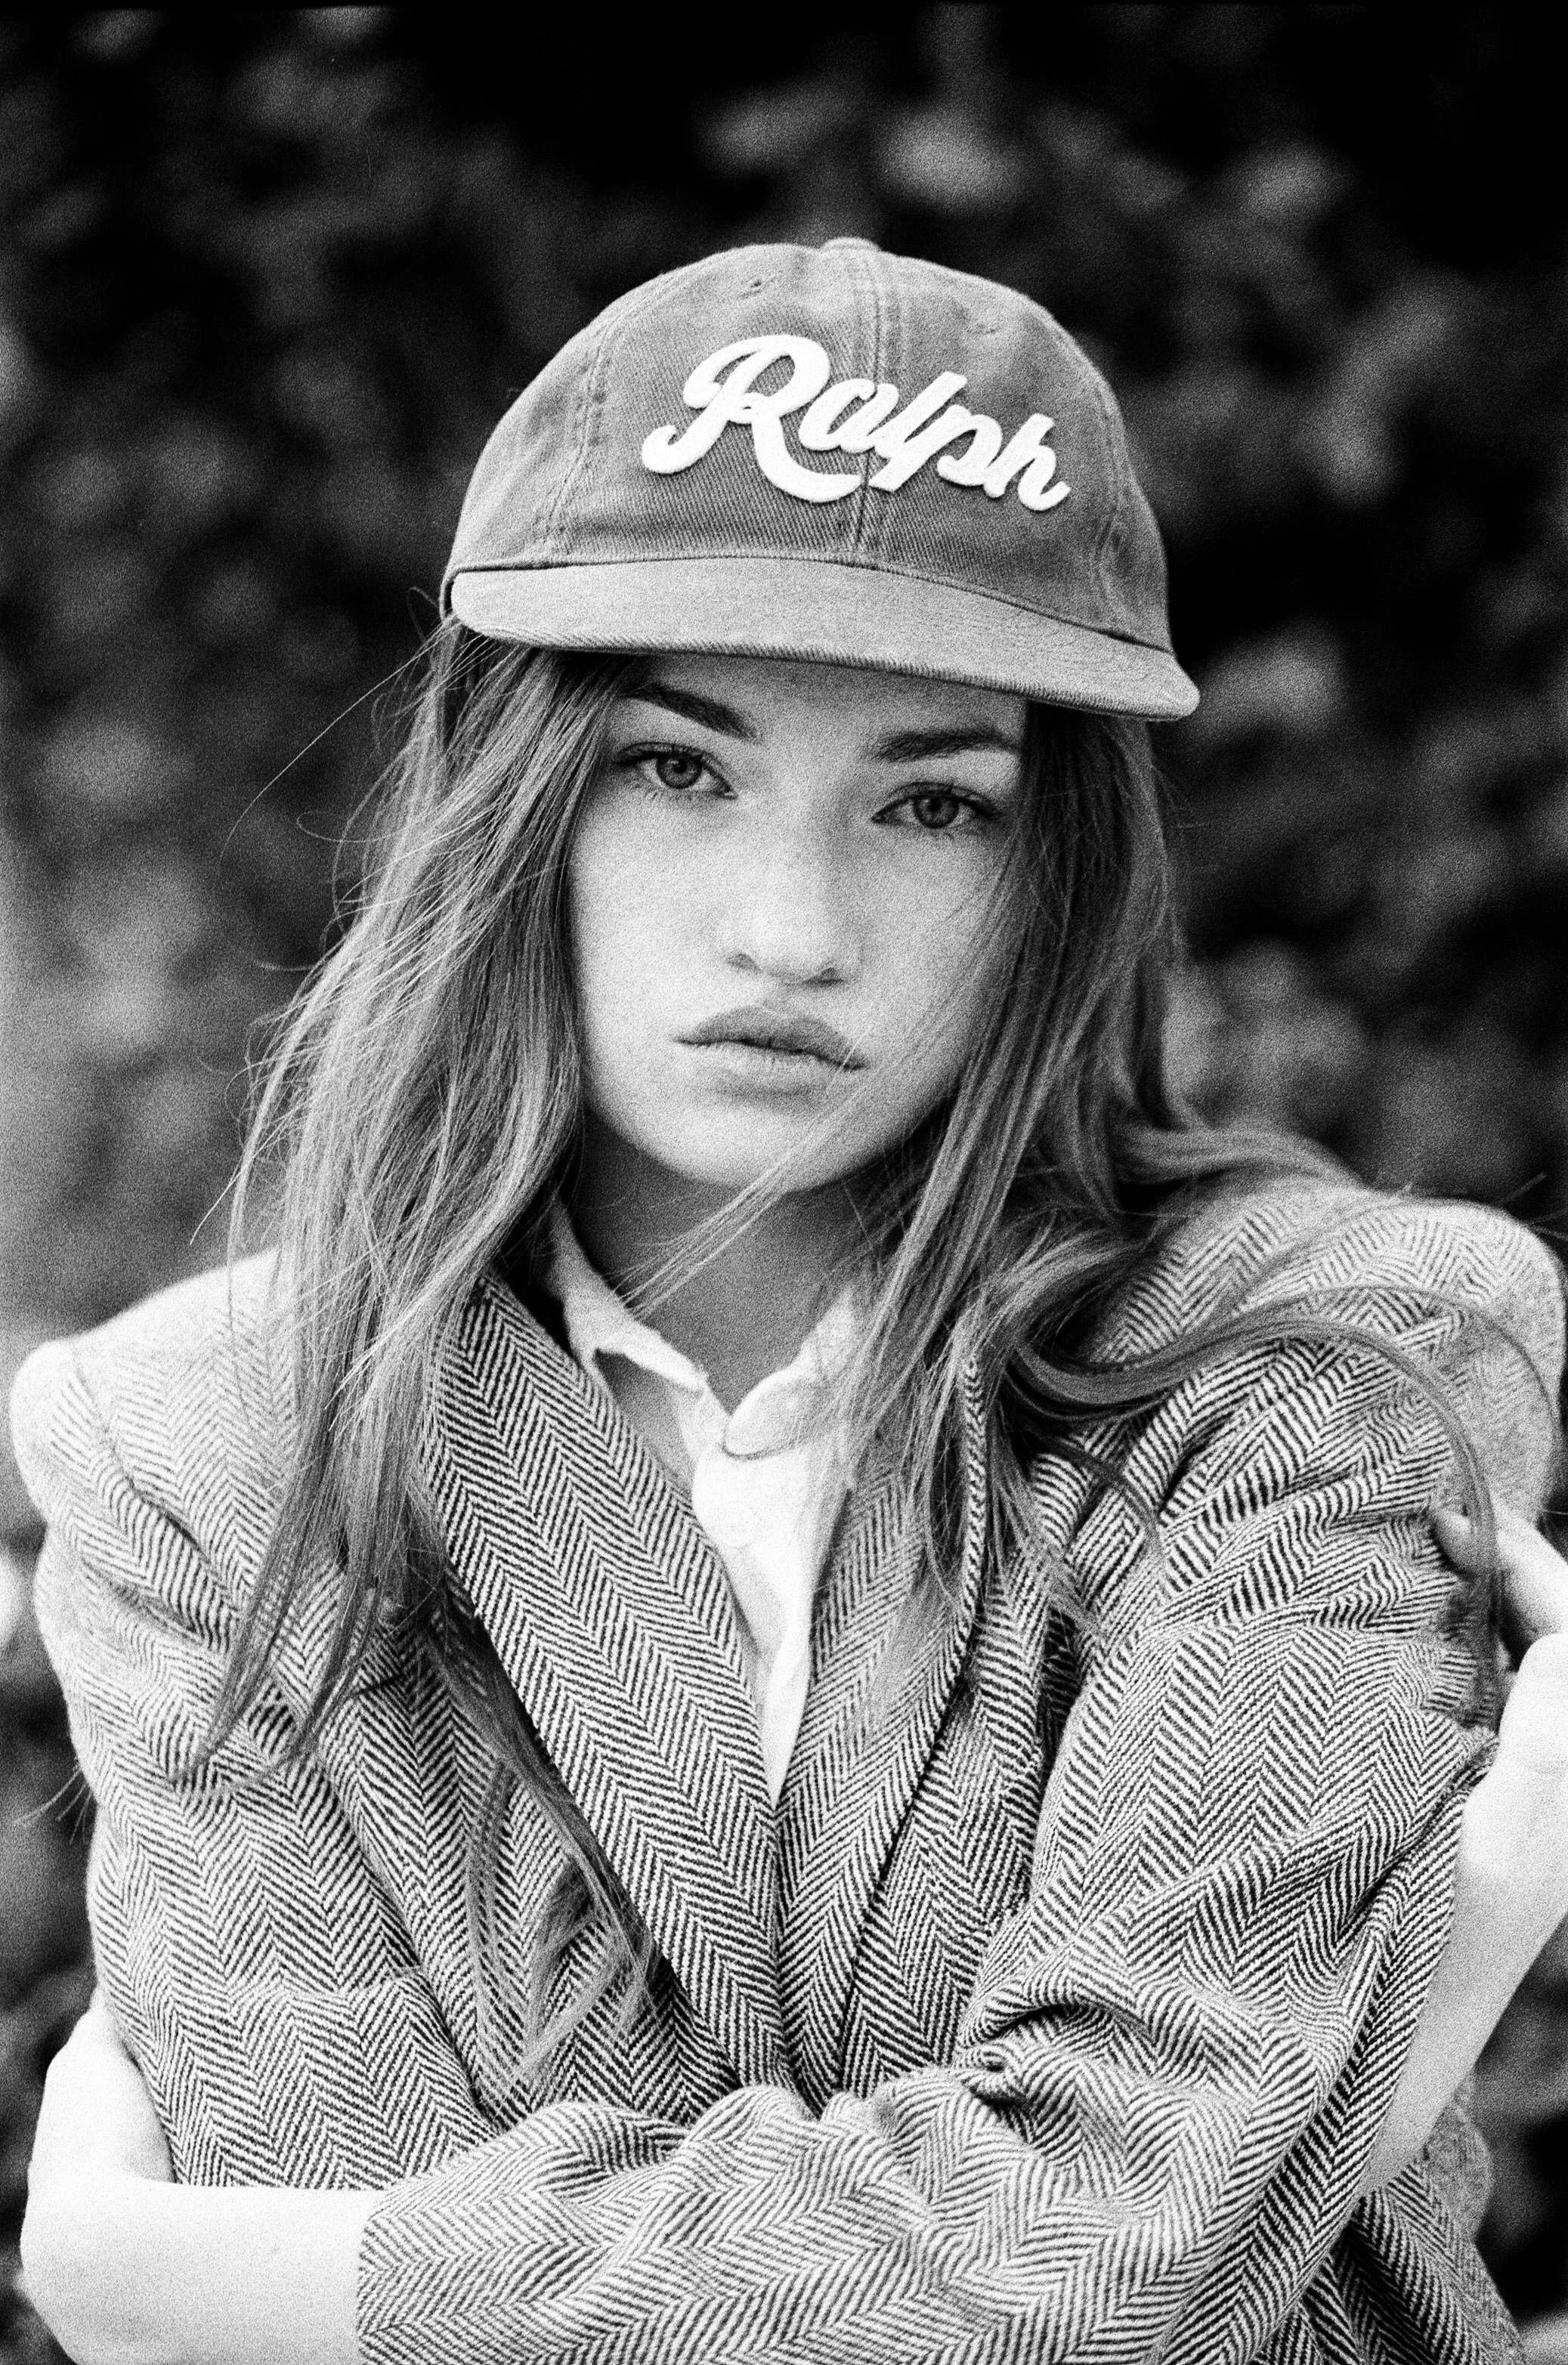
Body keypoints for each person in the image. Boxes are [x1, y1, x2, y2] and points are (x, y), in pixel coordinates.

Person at [11, 239, 1568, 2365]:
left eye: (933, 802)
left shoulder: (1321, 1358)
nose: (790, 925)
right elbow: (1110, 2250)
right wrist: (1406, 1992)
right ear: (515, 798)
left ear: (1058, 873)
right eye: (680, 766)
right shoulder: (197, 1452)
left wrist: (256, 2292)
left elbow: (1100, 2255)